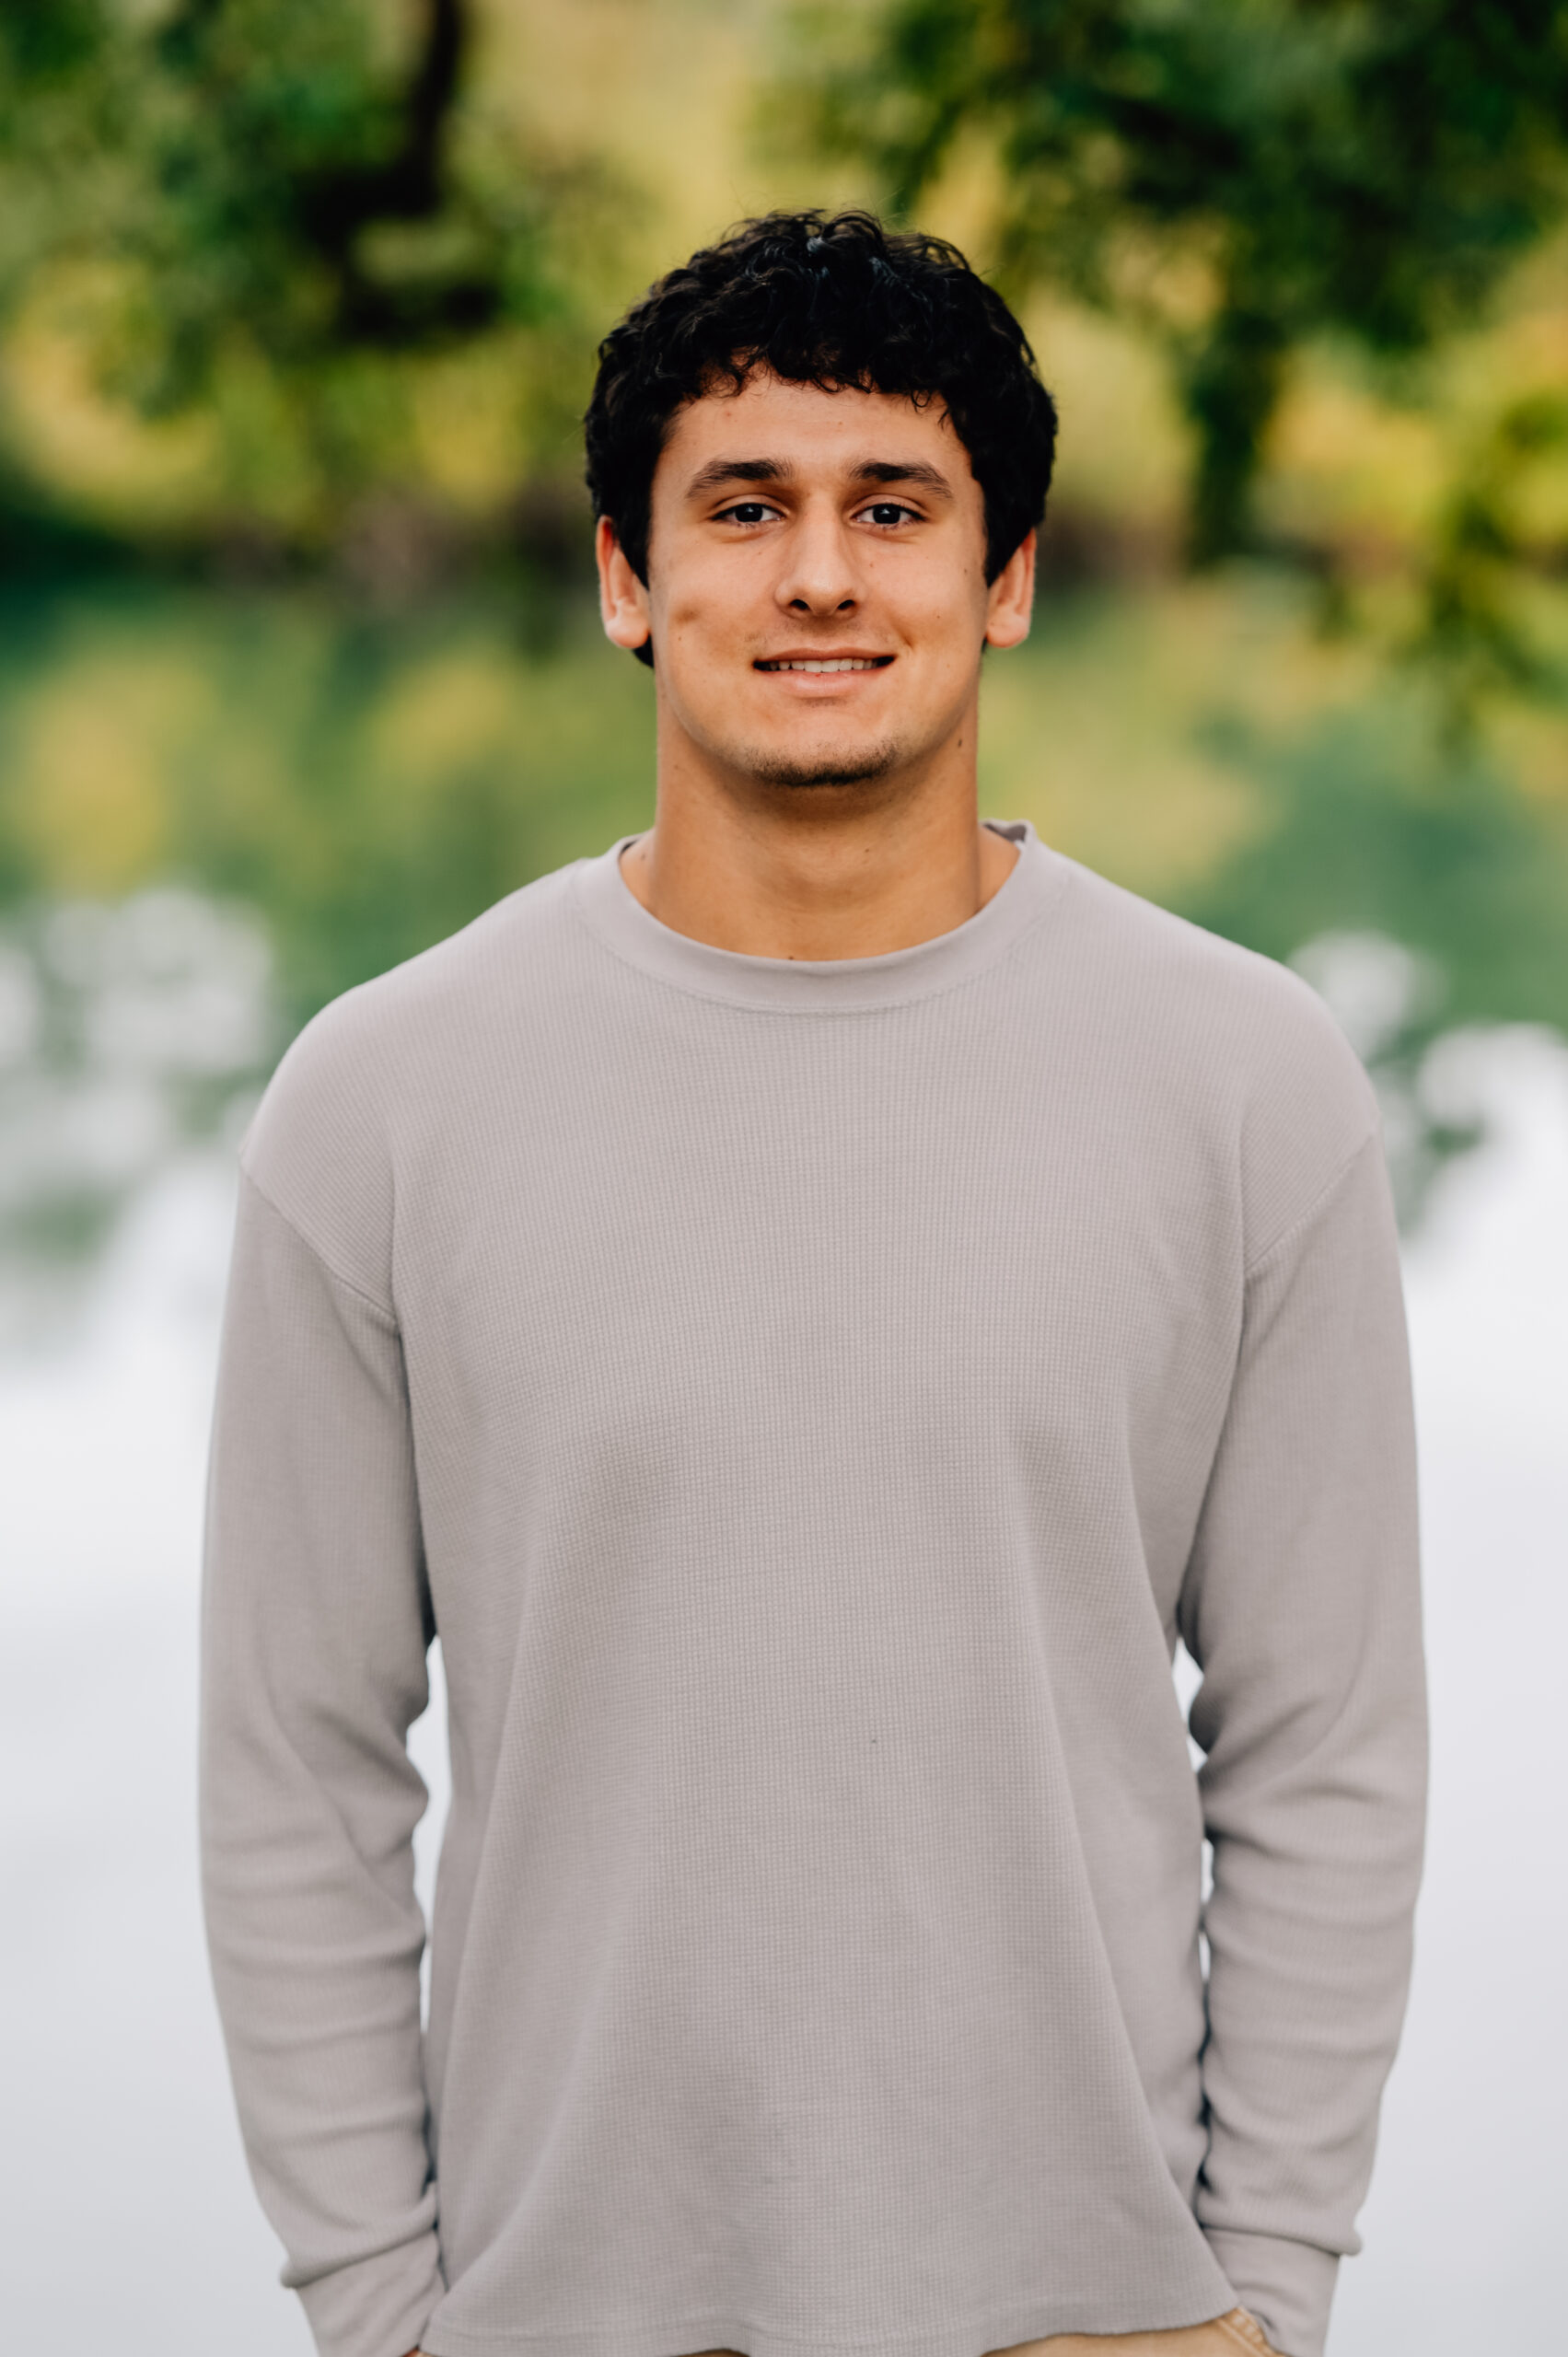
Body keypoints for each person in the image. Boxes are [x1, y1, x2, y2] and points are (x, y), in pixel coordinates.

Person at [199, 210, 1427, 2357]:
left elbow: (1325, 1743)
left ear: (1010, 575)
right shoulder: (380, 1099)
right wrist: (379, 2307)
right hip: (553, 2318)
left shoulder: (1247, 1081)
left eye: (897, 507)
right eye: (742, 507)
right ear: (620, 573)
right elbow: (297, 1766)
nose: (822, 578)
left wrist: (1272, 2293)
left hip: (1105, 2320)